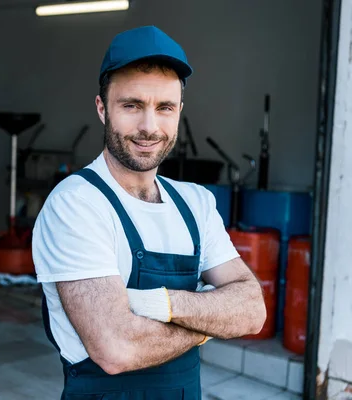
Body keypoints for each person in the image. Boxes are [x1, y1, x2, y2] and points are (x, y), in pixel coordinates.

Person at [31, 25, 267, 399]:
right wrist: (209, 317)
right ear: (101, 108)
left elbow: (252, 311)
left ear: (179, 113)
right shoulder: (76, 203)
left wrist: (159, 304)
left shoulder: (195, 202)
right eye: (132, 105)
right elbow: (116, 349)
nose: (149, 127)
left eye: (164, 108)